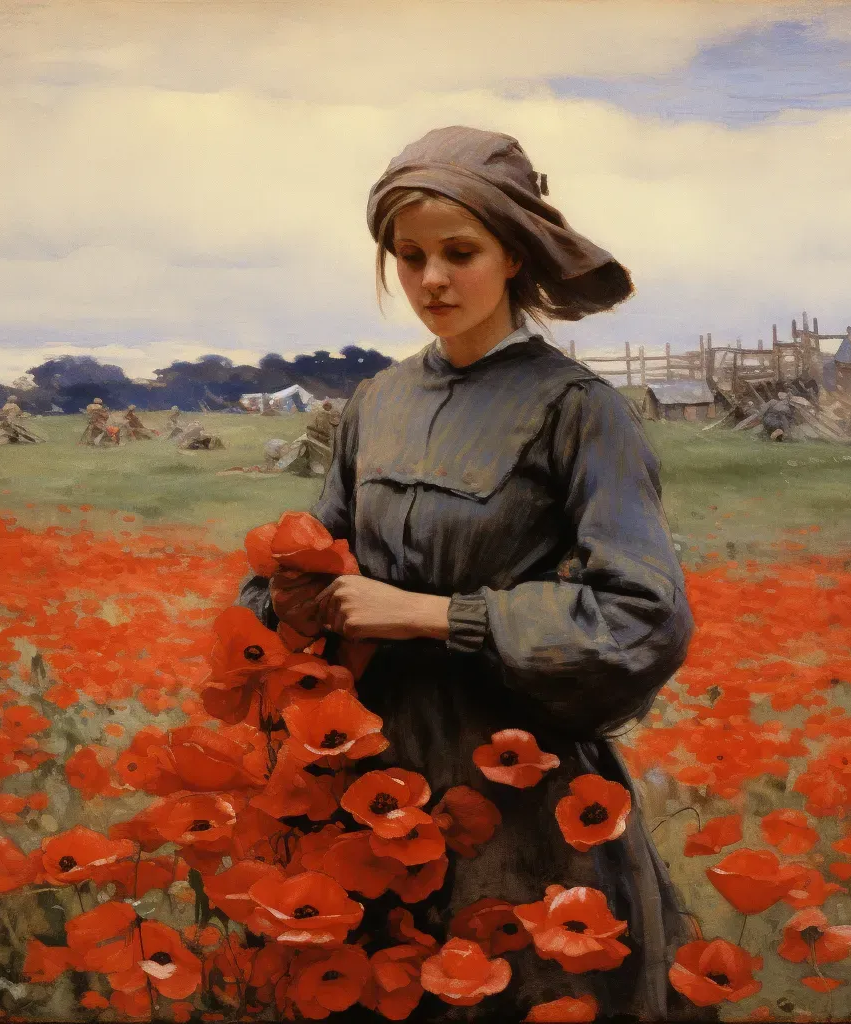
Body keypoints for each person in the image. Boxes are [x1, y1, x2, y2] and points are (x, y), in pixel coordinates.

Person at [238, 127, 697, 1021]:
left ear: (514, 253)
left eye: (459, 253)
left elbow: (645, 614)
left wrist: (431, 615)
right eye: (408, 258)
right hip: (365, 769)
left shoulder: (577, 409)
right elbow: (313, 549)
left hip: (517, 778)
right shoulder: (377, 401)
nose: (431, 281)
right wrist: (282, 600)